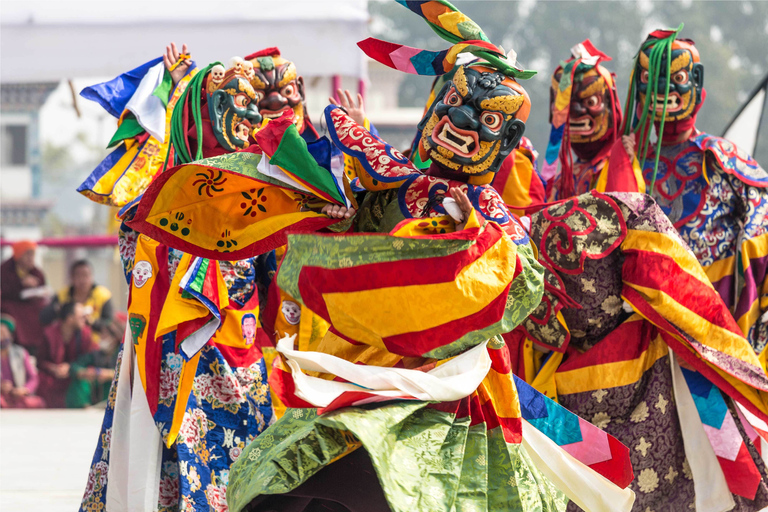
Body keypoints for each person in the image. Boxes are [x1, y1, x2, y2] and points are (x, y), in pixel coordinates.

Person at [604, 27, 768, 354]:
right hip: (645, 332)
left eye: (676, 77)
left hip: (713, 331)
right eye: (651, 79)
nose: (663, 88)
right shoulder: (630, 162)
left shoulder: (723, 159)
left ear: (698, 88)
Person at [542, 39, 622, 201]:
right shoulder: (560, 180)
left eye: (590, 102)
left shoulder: (619, 168)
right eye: (566, 103)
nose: (576, 111)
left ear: (612, 107)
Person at [38, 301, 96, 408]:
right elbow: (40, 361)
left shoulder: (86, 334)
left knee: (84, 376)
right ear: (70, 319)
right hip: (52, 375)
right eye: (81, 317)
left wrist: (70, 367)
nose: (85, 320)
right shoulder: (49, 333)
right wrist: (53, 368)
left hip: (74, 374)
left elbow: (89, 358)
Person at [0, 240, 49, 354]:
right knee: (11, 312)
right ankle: (20, 344)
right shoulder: (5, 269)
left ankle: (37, 348)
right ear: (18, 255)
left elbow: (42, 286)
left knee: (42, 311)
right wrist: (21, 283)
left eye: (32, 255)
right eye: (27, 254)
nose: (31, 258)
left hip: (31, 304)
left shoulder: (35, 272)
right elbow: (5, 290)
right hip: (12, 303)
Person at [41, 259, 114, 330]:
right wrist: (60, 308)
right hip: (68, 340)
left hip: (95, 340)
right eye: (78, 276)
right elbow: (44, 318)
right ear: (71, 278)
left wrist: (92, 322)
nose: (82, 280)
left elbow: (109, 322)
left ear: (92, 276)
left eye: (85, 275)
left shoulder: (103, 295)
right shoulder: (62, 295)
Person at [66, 319, 121, 408]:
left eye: (105, 335)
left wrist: (110, 374)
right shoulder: (97, 354)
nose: (101, 337)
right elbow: (74, 366)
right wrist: (84, 372)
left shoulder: (122, 355)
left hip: (114, 396)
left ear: (115, 338)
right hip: (96, 393)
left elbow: (129, 373)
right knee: (81, 382)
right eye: (101, 334)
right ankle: (84, 407)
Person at [0, 314, 45, 409]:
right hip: (1, 396)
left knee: (38, 403)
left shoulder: (20, 353)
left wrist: (24, 389)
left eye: (4, 333)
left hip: (17, 396)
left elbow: (33, 378)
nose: (1, 337)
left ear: (10, 335)